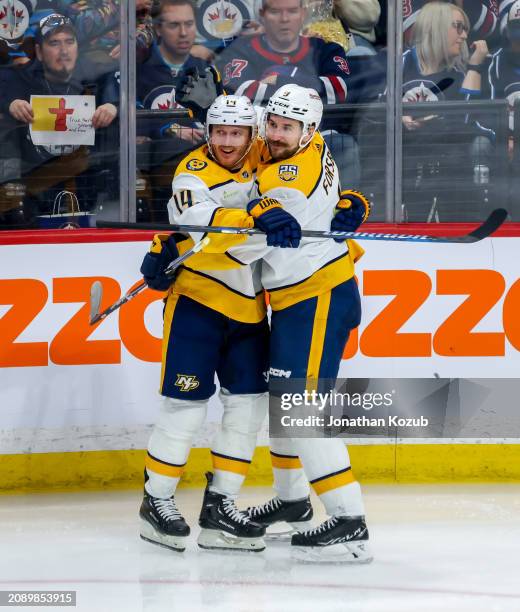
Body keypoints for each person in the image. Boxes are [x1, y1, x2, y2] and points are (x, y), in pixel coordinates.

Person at [224, 84, 372, 562]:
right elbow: (253, 153)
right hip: (304, 296)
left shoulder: (286, 178)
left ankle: (349, 520)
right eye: (273, 123)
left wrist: (216, 235)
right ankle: (292, 502)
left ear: (307, 129)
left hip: (317, 298)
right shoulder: (311, 141)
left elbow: (243, 247)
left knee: (300, 412)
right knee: (284, 404)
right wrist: (350, 200)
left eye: (286, 127)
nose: (275, 133)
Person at [139, 94, 271, 553]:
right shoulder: (191, 174)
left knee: (249, 408)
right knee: (185, 408)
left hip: (251, 310)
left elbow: (304, 154)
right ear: (209, 133)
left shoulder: (263, 155)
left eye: (236, 133)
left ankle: (221, 507)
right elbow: (201, 225)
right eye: (220, 133)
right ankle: (156, 501)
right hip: (198, 304)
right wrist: (257, 219)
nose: (227, 142)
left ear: (251, 134)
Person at [215, 0, 365, 188]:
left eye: (292, 11)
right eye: (276, 12)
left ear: (303, 14)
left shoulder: (325, 49)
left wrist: (278, 78)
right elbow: (240, 94)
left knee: (344, 145)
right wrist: (309, 84)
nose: (284, 19)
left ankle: (343, 211)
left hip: (318, 138)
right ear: (262, 14)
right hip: (260, 142)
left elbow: (339, 90)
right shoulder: (240, 50)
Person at [1, 13, 118, 222]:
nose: (64, 51)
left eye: (69, 42)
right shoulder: (22, 78)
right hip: (35, 193)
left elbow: (120, 91)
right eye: (54, 43)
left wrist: (112, 105)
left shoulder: (95, 75)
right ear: (39, 51)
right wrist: (11, 103)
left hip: (88, 191)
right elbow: (5, 86)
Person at [400, 2, 493, 220]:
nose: (463, 36)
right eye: (458, 27)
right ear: (437, 27)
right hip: (402, 170)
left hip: (446, 171)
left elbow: (467, 120)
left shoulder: (458, 75)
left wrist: (474, 68)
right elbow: (374, 113)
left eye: (466, 30)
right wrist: (398, 117)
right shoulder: (400, 64)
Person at [135, 0, 215, 220]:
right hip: (158, 181)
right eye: (174, 25)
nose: (183, 33)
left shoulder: (205, 70)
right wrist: (170, 128)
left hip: (205, 181)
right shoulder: (138, 69)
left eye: (189, 24)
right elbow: (128, 119)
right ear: (158, 28)